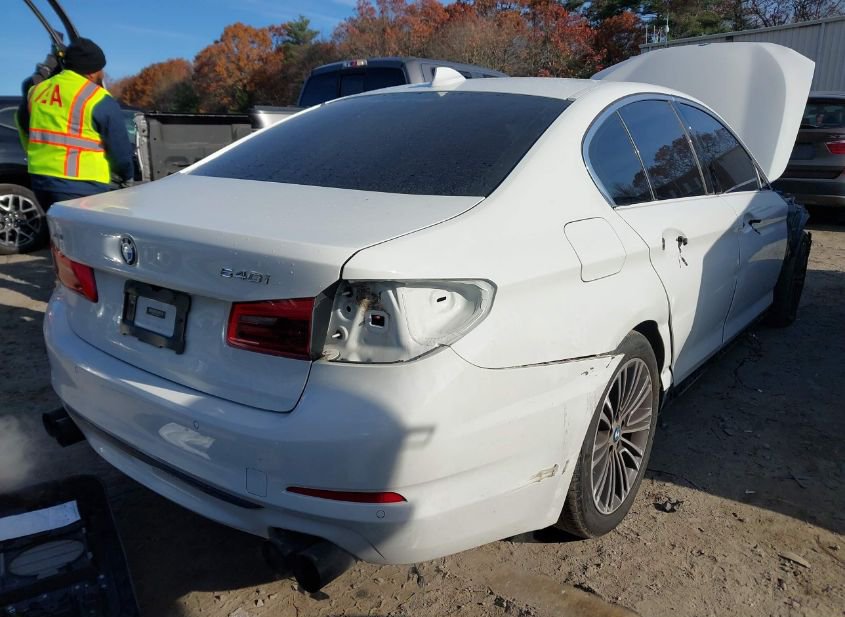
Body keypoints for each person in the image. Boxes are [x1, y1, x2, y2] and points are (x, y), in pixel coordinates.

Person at [16, 38, 134, 209]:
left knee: (55, 224)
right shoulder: (98, 98)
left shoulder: (37, 91)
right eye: (101, 69)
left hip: (41, 180)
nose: (102, 74)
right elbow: (119, 148)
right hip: (83, 184)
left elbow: (23, 126)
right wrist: (127, 175)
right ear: (92, 72)